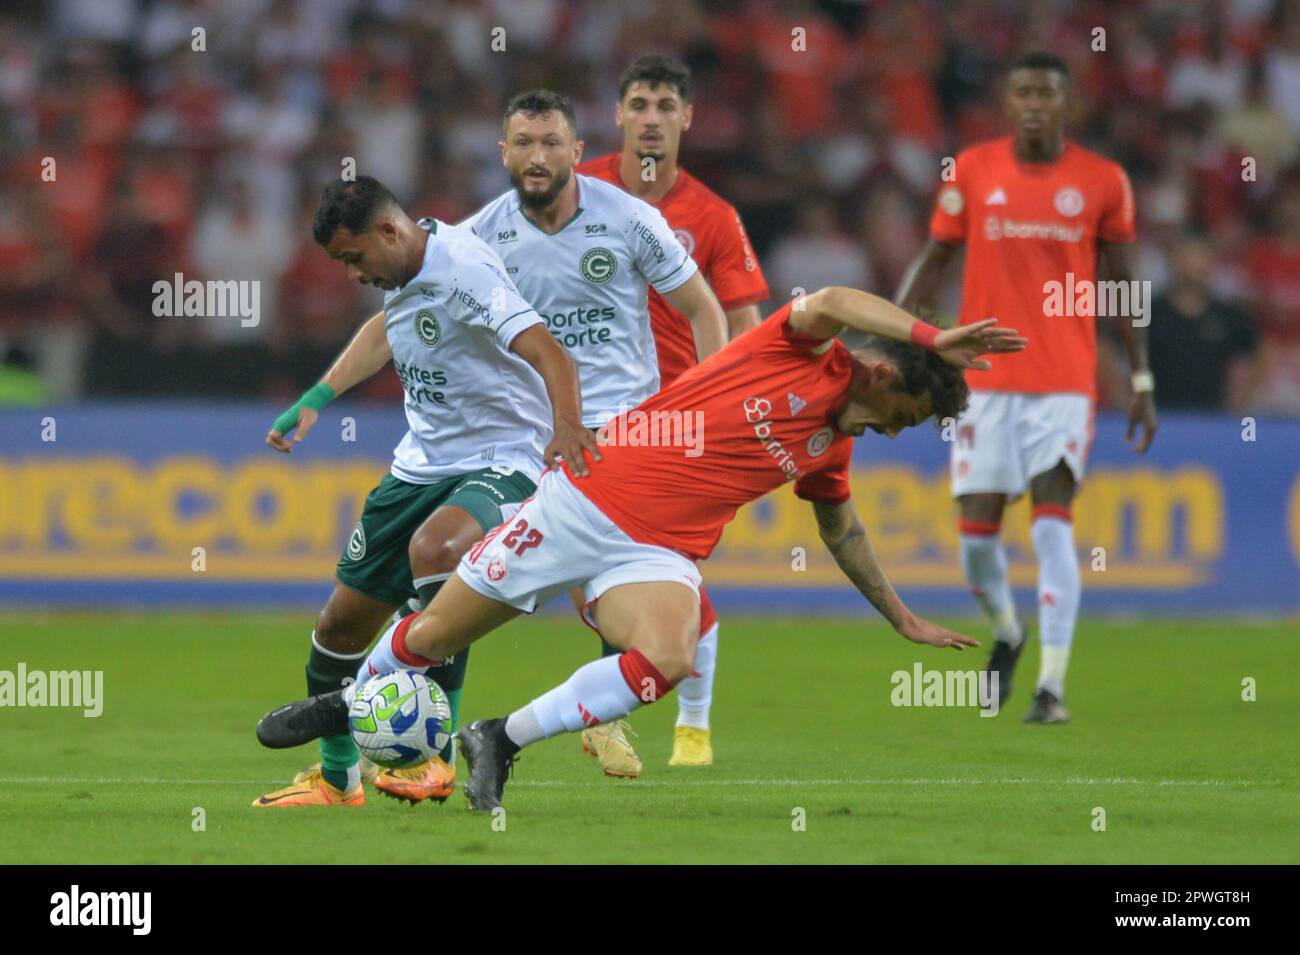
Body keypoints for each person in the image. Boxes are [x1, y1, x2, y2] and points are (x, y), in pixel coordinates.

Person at [255, 287, 1028, 811]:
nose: (898, 430)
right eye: (908, 413)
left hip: (655, 551)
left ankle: (499, 737)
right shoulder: (799, 352)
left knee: (670, 655)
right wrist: (935, 334)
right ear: (886, 371)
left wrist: (901, 618)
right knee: (430, 638)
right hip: (588, 498)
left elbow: (843, 532)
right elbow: (830, 300)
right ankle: (348, 704)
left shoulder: (832, 446)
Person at [252, 175, 591, 808]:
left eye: (354, 258)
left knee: (438, 553)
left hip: (502, 458)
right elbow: (387, 332)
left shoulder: (464, 270)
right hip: (419, 465)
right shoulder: (406, 272)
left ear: (389, 230)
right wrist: (318, 398)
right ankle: (336, 781)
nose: (353, 275)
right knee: (338, 630)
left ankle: (431, 760)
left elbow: (549, 351)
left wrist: (568, 426)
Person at [895, 51, 1157, 723]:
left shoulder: (1103, 182)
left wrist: (1142, 376)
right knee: (976, 537)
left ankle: (1053, 686)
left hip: (1065, 380)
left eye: (1047, 91)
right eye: (1023, 91)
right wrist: (895, 339)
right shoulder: (974, 171)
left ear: (1068, 105)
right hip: (985, 380)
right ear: (1007, 104)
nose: (1035, 102)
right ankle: (1009, 631)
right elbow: (932, 261)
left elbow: (1124, 286)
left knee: (1050, 528)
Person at [575, 53, 771, 771]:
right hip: (583, 410)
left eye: (665, 106)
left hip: (677, 421)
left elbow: (745, 322)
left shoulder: (713, 217)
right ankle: (648, 717)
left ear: (686, 119)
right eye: (640, 104)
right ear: (619, 115)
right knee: (605, 566)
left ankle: (679, 725)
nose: (652, 119)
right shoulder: (576, 190)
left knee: (667, 568)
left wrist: (738, 411)